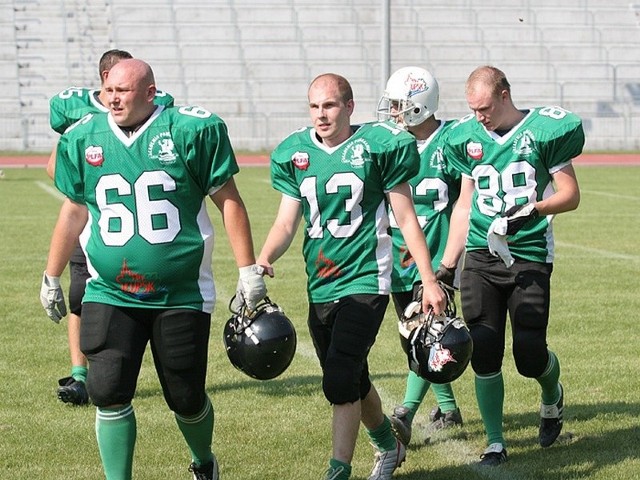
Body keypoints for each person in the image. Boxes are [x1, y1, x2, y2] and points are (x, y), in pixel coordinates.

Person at [40, 58, 266, 480]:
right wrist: (51, 275)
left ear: (149, 93)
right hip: (109, 289)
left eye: (123, 91)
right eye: (109, 91)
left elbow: (229, 201)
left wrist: (247, 269)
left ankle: (203, 461)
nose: (113, 98)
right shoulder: (84, 137)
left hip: (180, 292)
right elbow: (73, 210)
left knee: (185, 396)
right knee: (106, 391)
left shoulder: (189, 130)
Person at [255, 73, 446, 480]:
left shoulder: (378, 147)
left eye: (329, 106)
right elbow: (286, 223)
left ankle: (338, 469)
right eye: (314, 107)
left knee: (340, 376)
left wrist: (429, 280)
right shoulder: (296, 153)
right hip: (320, 282)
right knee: (352, 377)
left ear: (349, 106)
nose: (321, 115)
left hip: (366, 278)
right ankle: (388, 446)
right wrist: (265, 257)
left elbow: (406, 217)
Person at [442, 65, 584, 466]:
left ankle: (551, 394)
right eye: (472, 110)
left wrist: (533, 210)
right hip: (481, 256)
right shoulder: (468, 138)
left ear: (505, 95)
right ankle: (494, 442)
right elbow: (465, 205)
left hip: (528, 253)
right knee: (484, 349)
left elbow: (570, 194)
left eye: (484, 107)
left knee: (529, 353)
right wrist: (448, 265)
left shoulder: (540, 131)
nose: (479, 117)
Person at [46, 49, 175, 406]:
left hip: (140, 222)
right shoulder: (78, 114)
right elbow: (54, 167)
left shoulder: (156, 110)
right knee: (80, 297)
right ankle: (80, 374)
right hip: (93, 219)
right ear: (104, 79)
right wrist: (84, 191)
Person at [376, 66, 467, 446]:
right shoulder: (388, 143)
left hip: (435, 256)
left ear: (419, 106)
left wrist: (450, 262)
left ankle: (405, 414)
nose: (393, 112)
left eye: (400, 105)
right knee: (412, 336)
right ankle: (448, 408)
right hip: (398, 256)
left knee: (427, 335)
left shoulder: (450, 142)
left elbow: (466, 202)